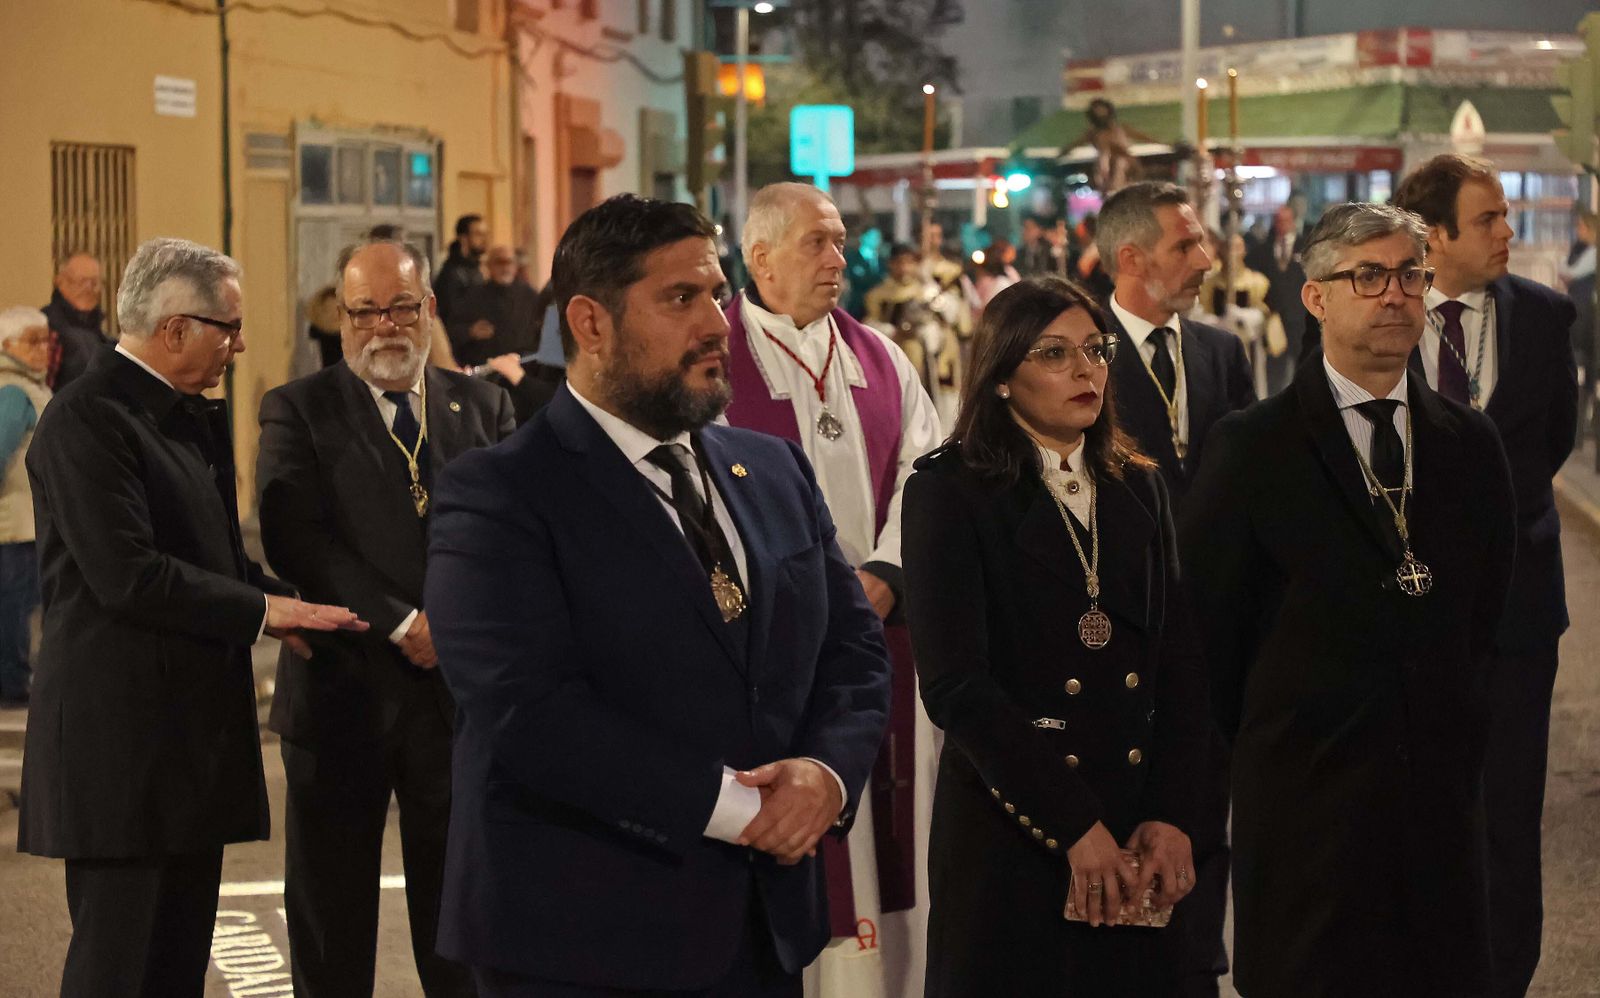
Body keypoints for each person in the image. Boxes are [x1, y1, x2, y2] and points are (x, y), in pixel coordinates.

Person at [424, 194, 892, 997]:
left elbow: (852, 652)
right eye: (681, 298)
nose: (717, 322)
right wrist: (740, 810)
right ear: (591, 323)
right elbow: (527, 711)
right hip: (581, 939)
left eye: (716, 292)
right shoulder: (499, 494)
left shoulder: (772, 469)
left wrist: (824, 774)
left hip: (763, 927)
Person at [1182, 203, 1517, 997]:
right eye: (1368, 275)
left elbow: (1481, 622)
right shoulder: (1251, 448)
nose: (1395, 294)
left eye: (1410, 275)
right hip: (1307, 813)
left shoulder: (1471, 446)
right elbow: (1207, 643)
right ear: (1316, 297)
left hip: (1436, 812)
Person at [18, 236, 367, 998]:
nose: (240, 346)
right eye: (229, 328)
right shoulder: (89, 418)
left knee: (176, 965)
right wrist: (265, 610)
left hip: (186, 742)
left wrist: (292, 607)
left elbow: (217, 560)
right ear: (175, 327)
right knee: (118, 967)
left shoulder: (180, 414)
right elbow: (128, 576)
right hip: (121, 749)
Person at [904, 276, 1206, 996]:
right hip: (1015, 824)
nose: (1086, 370)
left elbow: (1180, 664)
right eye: (1054, 353)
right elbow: (957, 687)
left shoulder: (1139, 485)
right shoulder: (951, 490)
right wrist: (1075, 827)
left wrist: (1171, 814)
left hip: (1132, 821)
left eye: (1095, 351)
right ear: (1003, 377)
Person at [256, 238, 515, 998]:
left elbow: (509, 532)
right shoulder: (298, 409)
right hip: (344, 695)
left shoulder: (483, 404)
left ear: (429, 309)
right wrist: (405, 623)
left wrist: (457, 627)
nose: (384, 327)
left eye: (402, 307)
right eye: (365, 311)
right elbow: (296, 538)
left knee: (460, 926)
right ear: (342, 318)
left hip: (455, 705)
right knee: (332, 923)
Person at [725, 181, 943, 998]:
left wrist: (885, 575)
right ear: (760, 257)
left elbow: (928, 474)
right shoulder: (716, 358)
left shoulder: (882, 356)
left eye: (841, 240)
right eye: (817, 241)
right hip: (769, 648)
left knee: (896, 845)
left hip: (882, 639)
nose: (837, 258)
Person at [1388, 154, 1578, 998]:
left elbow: (1553, 445)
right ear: (1435, 236)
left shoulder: (1544, 316)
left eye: (1506, 216)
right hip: (1401, 616)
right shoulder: (1379, 317)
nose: (1509, 231)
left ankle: (1505, 980)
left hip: (1519, 616)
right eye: (1491, 219)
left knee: (1508, 818)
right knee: (1407, 813)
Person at [1095, 180, 1254, 997]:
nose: (1208, 259)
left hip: (1215, 625)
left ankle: (1198, 960)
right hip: (1120, 623)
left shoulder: (1223, 351)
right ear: (1131, 259)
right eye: (1187, 246)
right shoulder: (1078, 348)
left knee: (1207, 797)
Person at [0, 307, 52, 705]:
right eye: (32, 340)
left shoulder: (27, 387)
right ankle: (14, 684)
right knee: (17, 608)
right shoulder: (14, 392)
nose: (42, 349)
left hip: (27, 520)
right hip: (15, 524)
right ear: (7, 347)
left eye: (45, 340)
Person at [450, 245, 559, 423]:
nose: (505, 267)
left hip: (523, 382)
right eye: (499, 262)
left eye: (509, 262)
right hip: (486, 380)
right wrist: (470, 332)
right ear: (488, 266)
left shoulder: (531, 296)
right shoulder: (472, 297)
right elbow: (452, 332)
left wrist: (518, 369)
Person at [42, 252, 112, 390]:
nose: (88, 289)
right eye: (81, 281)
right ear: (60, 282)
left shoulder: (100, 334)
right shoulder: (47, 326)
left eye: (94, 283)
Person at [435, 214, 488, 328]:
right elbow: (448, 316)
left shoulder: (477, 269)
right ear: (463, 238)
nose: (484, 239)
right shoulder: (451, 274)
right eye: (478, 234)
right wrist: (469, 332)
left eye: (485, 234)